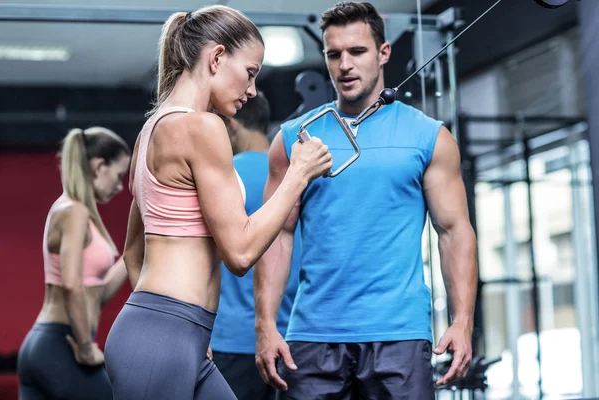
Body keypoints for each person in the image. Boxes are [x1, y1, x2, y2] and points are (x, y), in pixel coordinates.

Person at [103, 5, 332, 400]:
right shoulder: (201, 127)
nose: (252, 90)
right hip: (164, 339)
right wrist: (298, 175)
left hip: (170, 335)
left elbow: (133, 254)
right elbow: (240, 254)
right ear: (217, 57)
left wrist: (186, 333)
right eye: (250, 72)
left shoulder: (151, 131)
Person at [254, 2, 478, 399]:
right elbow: (277, 235)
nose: (345, 65)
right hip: (312, 336)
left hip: (398, 336)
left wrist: (463, 321)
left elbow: (453, 231)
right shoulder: (295, 138)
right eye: (334, 54)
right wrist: (266, 324)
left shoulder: (428, 137)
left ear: (383, 53)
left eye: (357, 51)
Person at [17, 127, 132, 400]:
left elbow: (96, 294)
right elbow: (71, 284)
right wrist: (84, 345)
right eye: (117, 176)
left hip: (45, 346)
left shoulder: (70, 209)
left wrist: (133, 255)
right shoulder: (75, 211)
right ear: (98, 166)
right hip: (61, 344)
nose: (119, 186)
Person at [210, 90, 301, 400]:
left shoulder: (221, 177)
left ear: (232, 126)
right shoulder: (295, 178)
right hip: (290, 338)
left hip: (232, 340)